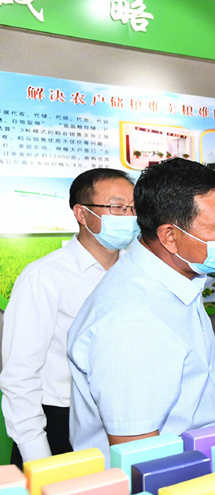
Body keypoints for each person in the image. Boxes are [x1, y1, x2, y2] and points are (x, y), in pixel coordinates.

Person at [68, 158, 215, 465]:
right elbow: (139, 458)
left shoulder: (177, 281)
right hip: (161, 487)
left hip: (193, 478)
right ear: (170, 236)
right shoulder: (131, 320)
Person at [0, 169, 137, 468]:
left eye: (133, 208)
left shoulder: (137, 273)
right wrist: (38, 458)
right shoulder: (44, 277)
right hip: (59, 424)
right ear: (82, 214)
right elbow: (19, 376)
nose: (129, 216)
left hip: (127, 418)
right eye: (117, 207)